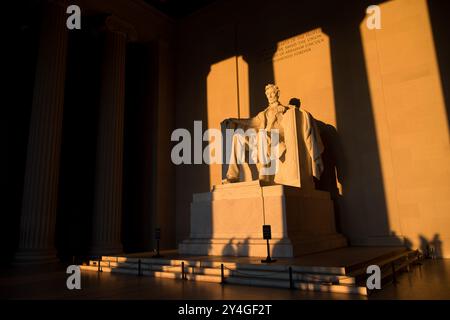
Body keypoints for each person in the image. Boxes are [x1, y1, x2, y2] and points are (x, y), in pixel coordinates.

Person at [221, 84, 289, 183]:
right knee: (237, 136)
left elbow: (285, 128)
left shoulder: (284, 110)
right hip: (261, 138)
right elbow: (251, 121)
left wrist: (284, 110)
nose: (269, 96)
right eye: (267, 94)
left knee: (261, 134)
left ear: (278, 94)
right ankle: (233, 175)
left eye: (272, 93)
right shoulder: (263, 113)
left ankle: (265, 174)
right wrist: (234, 120)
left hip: (274, 138)